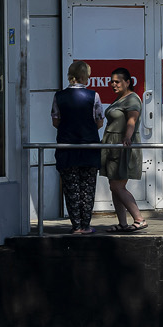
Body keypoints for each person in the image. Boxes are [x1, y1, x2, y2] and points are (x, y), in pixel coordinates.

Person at [51, 60, 104, 234]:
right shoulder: (93, 95)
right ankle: (86, 225)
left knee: (71, 187)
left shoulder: (59, 96)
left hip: (67, 147)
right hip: (89, 147)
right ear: (84, 76)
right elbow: (99, 121)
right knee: (87, 188)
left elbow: (55, 121)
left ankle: (76, 226)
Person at [100, 68, 146, 232]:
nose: (113, 84)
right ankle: (123, 223)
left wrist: (127, 137)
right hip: (112, 146)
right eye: (112, 81)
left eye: (117, 81)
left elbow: (131, 120)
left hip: (122, 147)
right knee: (114, 186)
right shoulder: (120, 99)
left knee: (118, 186)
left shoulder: (132, 99)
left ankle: (139, 219)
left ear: (128, 82)